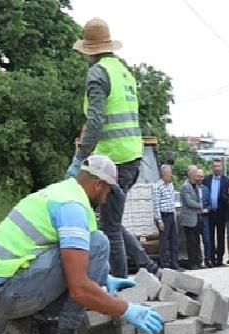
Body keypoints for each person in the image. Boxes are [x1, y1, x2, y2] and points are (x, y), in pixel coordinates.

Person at [0, 155, 163, 334]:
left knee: (94, 248)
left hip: (2, 291)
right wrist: (126, 309)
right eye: (109, 191)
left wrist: (104, 277)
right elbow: (80, 288)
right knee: (99, 244)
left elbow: (77, 260)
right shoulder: (72, 206)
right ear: (98, 185)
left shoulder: (63, 193)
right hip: (11, 294)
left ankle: (23, 326)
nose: (107, 198)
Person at [65, 17, 157, 277]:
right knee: (111, 221)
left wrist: (81, 156)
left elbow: (95, 119)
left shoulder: (98, 72)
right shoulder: (124, 72)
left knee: (110, 228)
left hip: (112, 160)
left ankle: (120, 286)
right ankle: (149, 267)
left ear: (89, 50)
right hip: (132, 157)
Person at [202, 158, 229, 266]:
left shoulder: (226, 180)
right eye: (215, 166)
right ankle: (211, 258)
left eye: (219, 166)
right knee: (210, 236)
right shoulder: (207, 180)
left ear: (222, 167)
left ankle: (219, 259)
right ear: (212, 168)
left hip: (221, 212)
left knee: (221, 236)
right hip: (209, 213)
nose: (217, 168)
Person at [152, 165, 180, 270]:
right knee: (164, 242)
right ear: (164, 174)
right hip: (163, 216)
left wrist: (175, 217)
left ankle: (175, 264)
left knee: (174, 240)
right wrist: (159, 221)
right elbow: (156, 204)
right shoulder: (157, 186)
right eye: (169, 173)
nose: (171, 175)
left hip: (171, 214)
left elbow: (172, 202)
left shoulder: (171, 185)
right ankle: (164, 264)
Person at [180, 165, 203, 270]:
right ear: (190, 174)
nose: (197, 175)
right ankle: (192, 263)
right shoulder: (185, 186)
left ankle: (198, 262)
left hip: (197, 217)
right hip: (189, 219)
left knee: (197, 241)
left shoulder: (196, 185)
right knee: (191, 242)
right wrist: (200, 206)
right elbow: (189, 202)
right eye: (195, 173)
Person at [196, 169, 213, 268]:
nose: (200, 179)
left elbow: (210, 204)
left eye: (202, 177)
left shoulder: (206, 189)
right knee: (197, 240)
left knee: (207, 240)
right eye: (198, 176)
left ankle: (208, 260)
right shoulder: (192, 188)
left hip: (205, 217)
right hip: (195, 217)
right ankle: (199, 260)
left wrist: (207, 210)